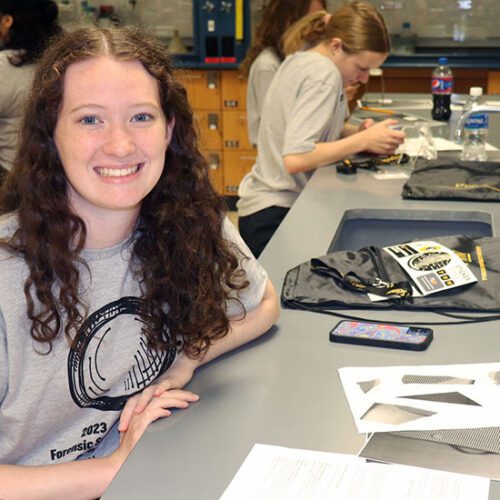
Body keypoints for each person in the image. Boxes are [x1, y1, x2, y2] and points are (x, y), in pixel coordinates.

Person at [0, 26, 280, 498]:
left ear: (169, 130)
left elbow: (263, 302)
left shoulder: (189, 222)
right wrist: (111, 470)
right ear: (50, 132)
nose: (121, 146)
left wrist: (184, 363)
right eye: (90, 120)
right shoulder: (7, 271)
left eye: (141, 117)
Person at [237, 1, 406, 258]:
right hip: (274, 214)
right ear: (336, 45)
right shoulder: (324, 75)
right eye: (361, 68)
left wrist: (360, 134)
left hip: (264, 209)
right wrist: (362, 141)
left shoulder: (303, 58)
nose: (364, 78)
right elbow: (296, 157)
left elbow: (312, 129)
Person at [241, 0, 327, 146]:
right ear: (291, 23)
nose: (317, 30)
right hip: (280, 158)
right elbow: (278, 129)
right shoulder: (268, 66)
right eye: (311, 21)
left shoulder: (300, 61)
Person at [0, 0, 62, 179]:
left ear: (7, 21)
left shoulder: (4, 66)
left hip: (11, 175)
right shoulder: (62, 61)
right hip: (55, 175)